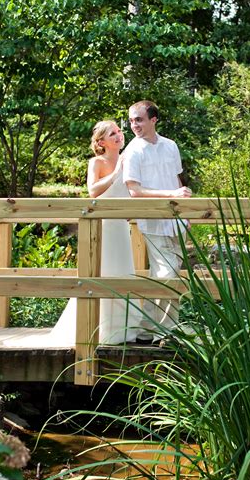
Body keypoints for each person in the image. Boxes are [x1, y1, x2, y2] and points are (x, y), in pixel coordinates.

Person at [53, 120, 140, 345]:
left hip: (121, 225)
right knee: (102, 272)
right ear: (101, 142)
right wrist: (117, 171)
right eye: (113, 133)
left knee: (123, 272)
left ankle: (123, 330)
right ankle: (96, 329)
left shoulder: (129, 159)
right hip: (102, 225)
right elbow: (93, 190)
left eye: (119, 131)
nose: (119, 135)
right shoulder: (97, 162)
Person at [122, 100, 192, 344]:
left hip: (175, 220)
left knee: (161, 274)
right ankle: (167, 332)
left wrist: (184, 211)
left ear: (153, 120)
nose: (134, 125)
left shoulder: (170, 146)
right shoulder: (133, 151)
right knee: (168, 274)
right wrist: (172, 195)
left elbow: (177, 181)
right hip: (152, 220)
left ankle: (145, 329)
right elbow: (135, 191)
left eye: (139, 119)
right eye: (131, 121)